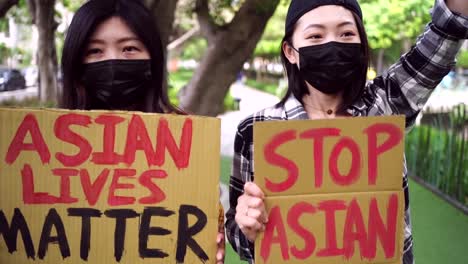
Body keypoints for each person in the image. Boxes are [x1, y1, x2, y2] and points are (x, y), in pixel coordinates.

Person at [225, 0, 468, 263]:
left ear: (361, 45)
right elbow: (238, 235)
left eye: (346, 34)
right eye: (315, 35)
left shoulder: (385, 105)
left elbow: (443, 35)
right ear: (290, 51)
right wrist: (248, 226)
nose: (332, 44)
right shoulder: (255, 130)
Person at [60, 0, 224, 263]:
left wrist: (212, 247)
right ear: (76, 62)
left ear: (153, 60)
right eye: (95, 51)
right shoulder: (42, 146)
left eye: (129, 48)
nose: (113, 61)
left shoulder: (187, 139)